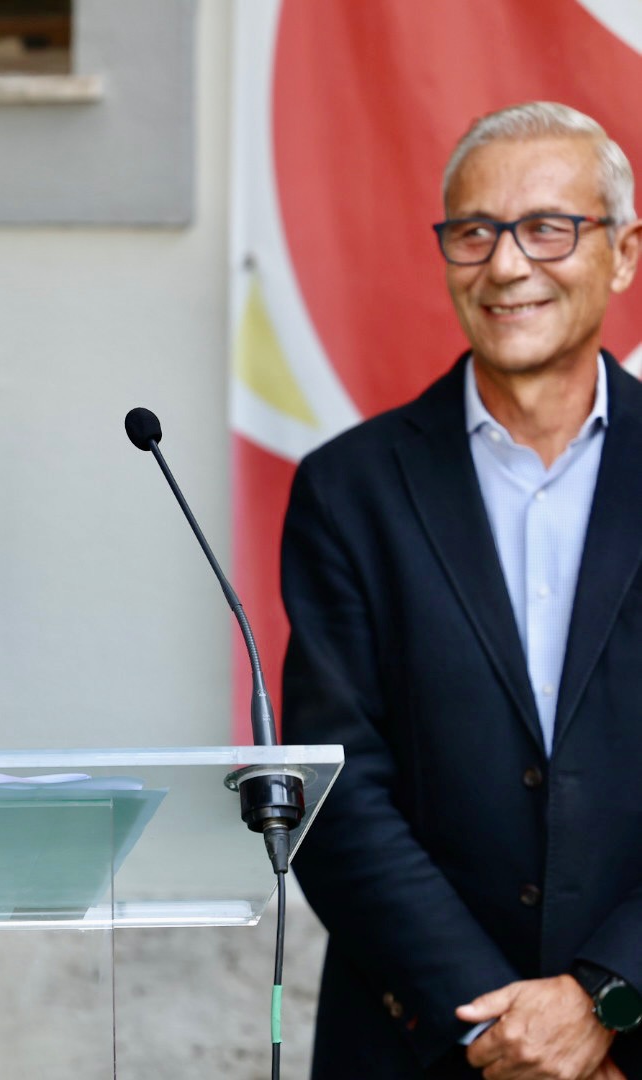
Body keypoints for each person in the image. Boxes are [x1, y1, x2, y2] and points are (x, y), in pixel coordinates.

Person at [282, 101, 642, 1079]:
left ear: (622, 254)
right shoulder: (349, 490)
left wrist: (605, 998)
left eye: (548, 228)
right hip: (425, 1044)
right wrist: (498, 1030)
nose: (508, 265)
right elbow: (335, 786)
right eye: (475, 232)